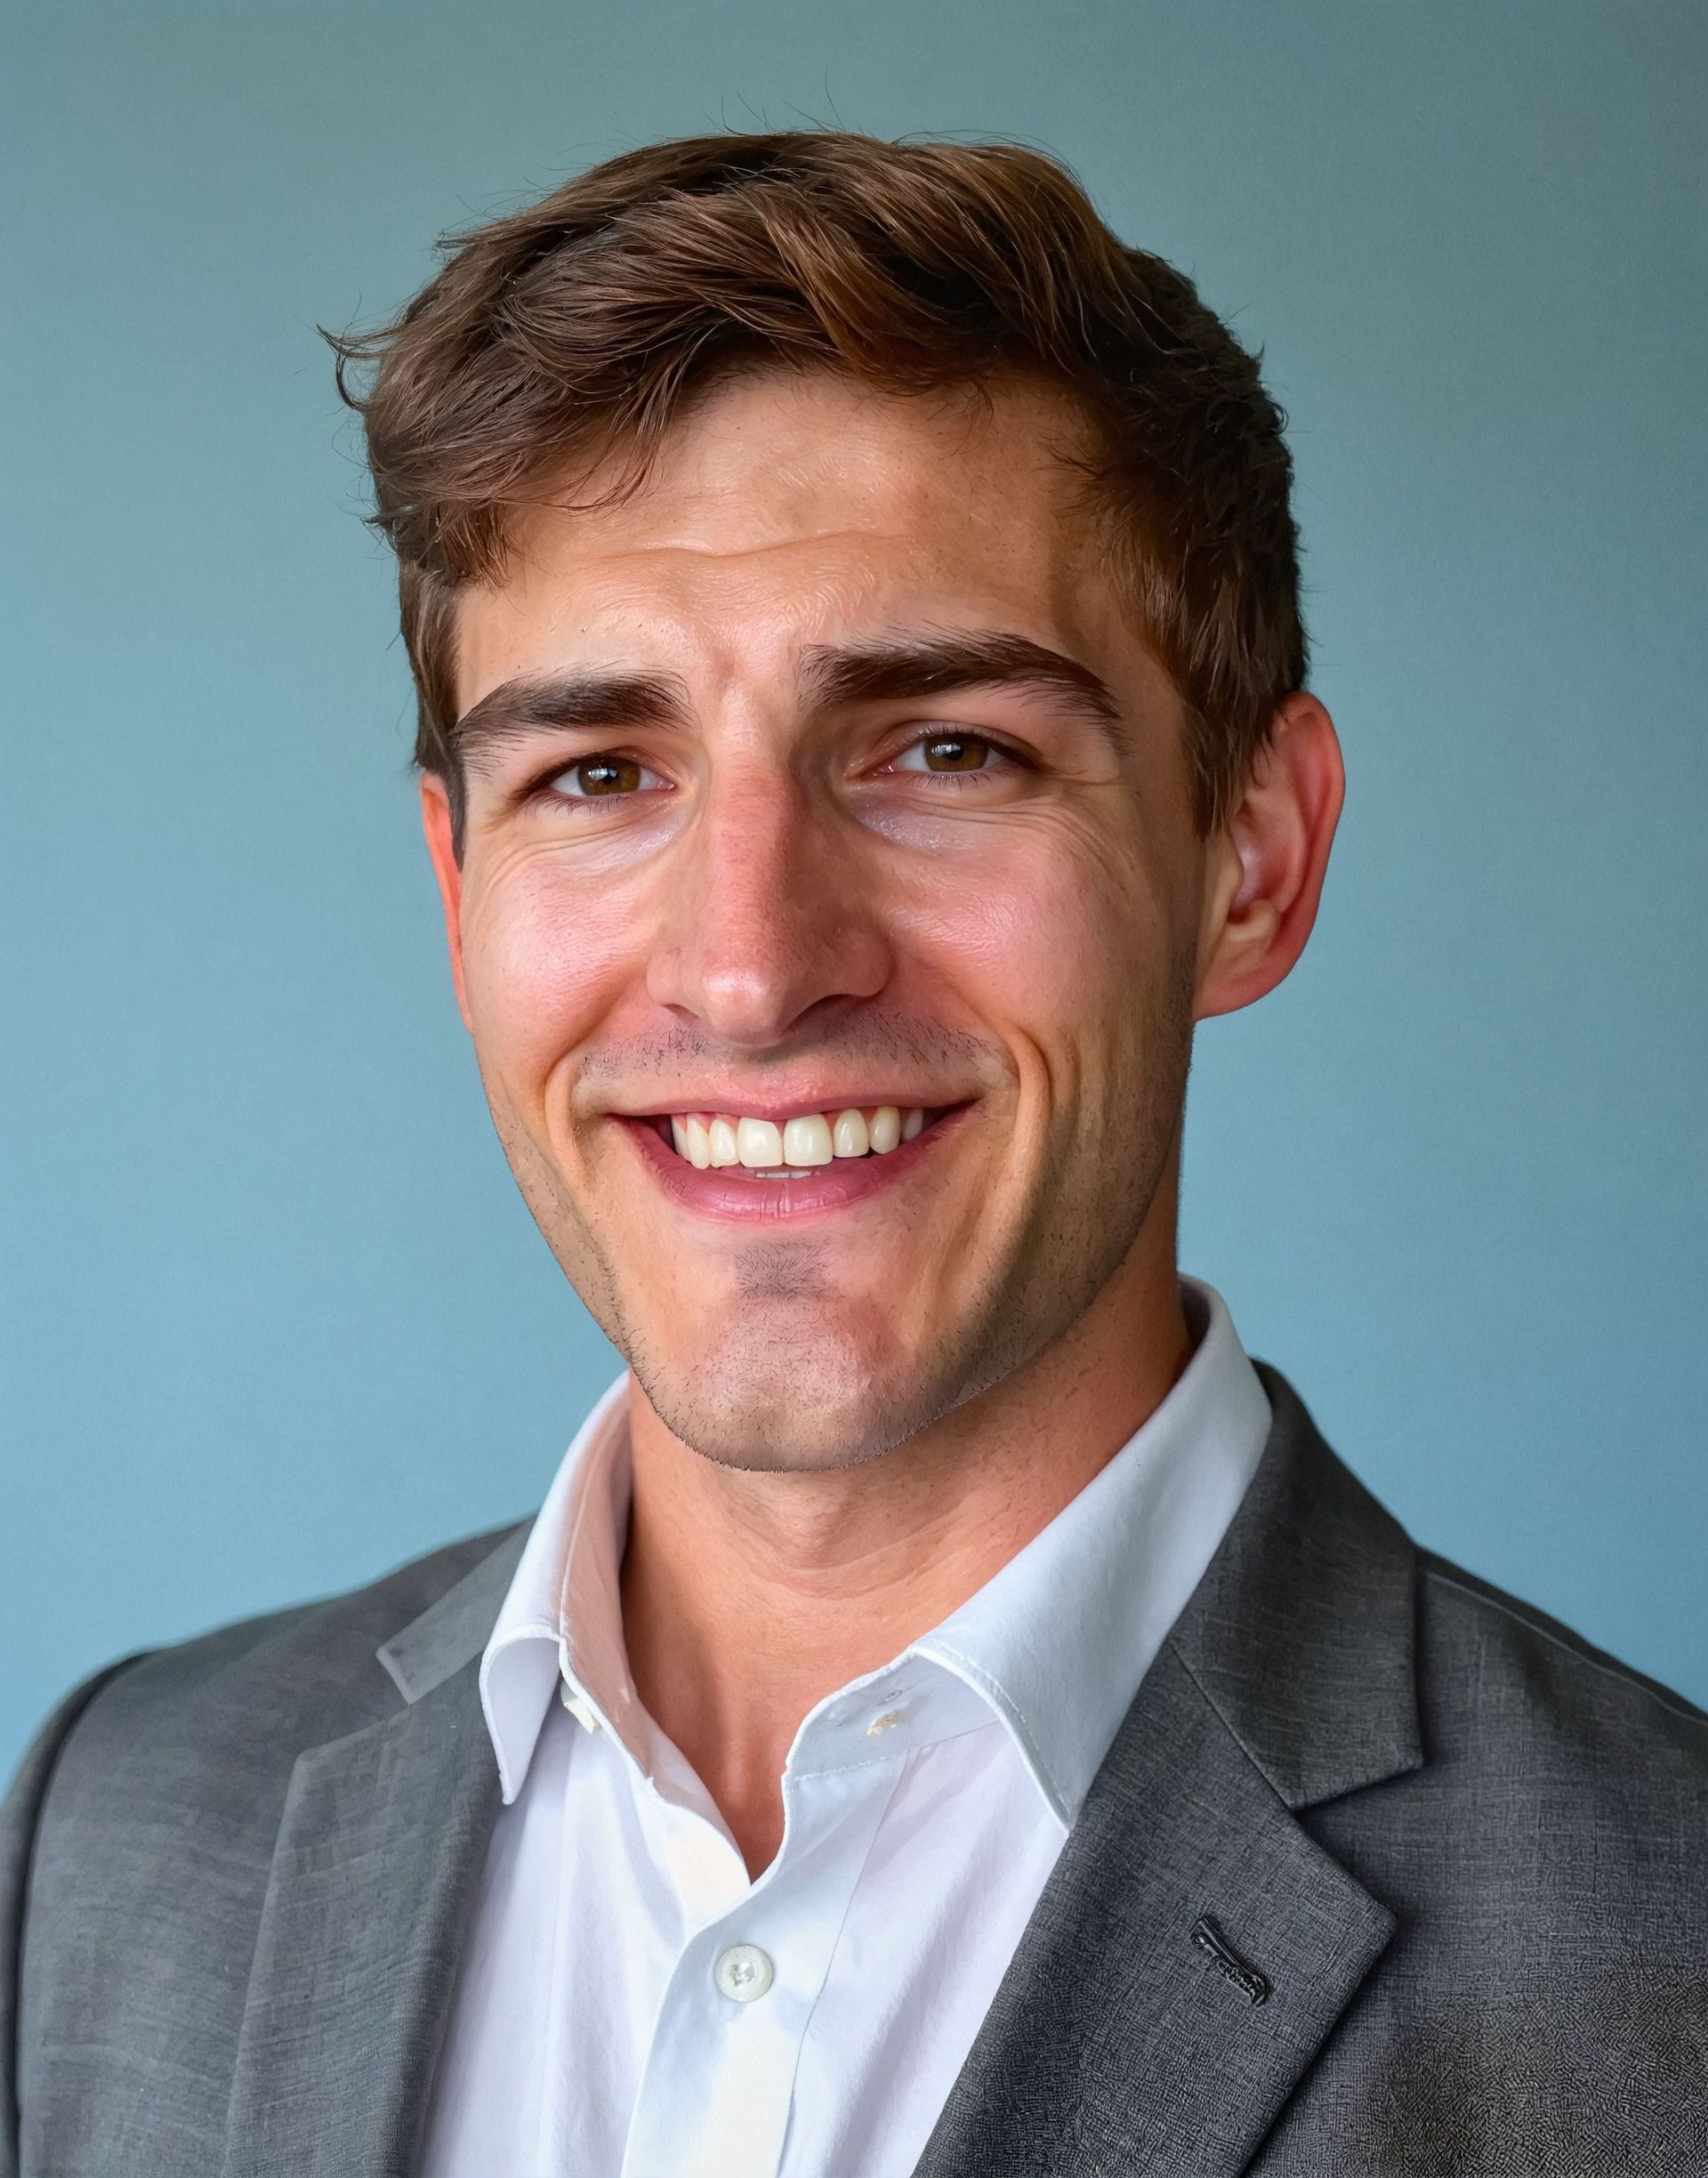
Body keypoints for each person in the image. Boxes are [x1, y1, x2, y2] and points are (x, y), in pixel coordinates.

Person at [4, 130, 1703, 2178]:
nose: (747, 968)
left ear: (1251, 856)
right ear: (459, 893)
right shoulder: (110, 1840)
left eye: (943, 750)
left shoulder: (1657, 1961)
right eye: (601, 772)